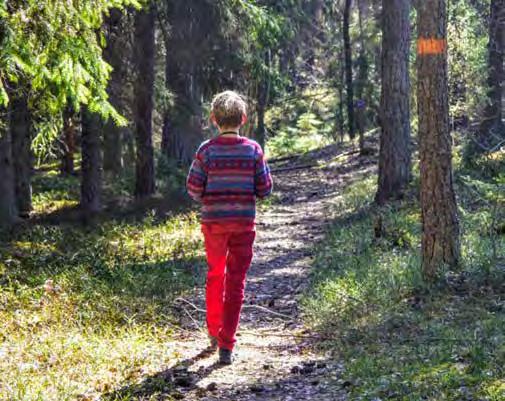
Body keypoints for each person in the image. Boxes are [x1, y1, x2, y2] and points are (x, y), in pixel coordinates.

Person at [186, 90, 273, 365]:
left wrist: (210, 197)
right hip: (244, 225)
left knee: (215, 274)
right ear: (243, 119)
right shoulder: (253, 150)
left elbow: (193, 188)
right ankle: (227, 344)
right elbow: (265, 188)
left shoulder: (206, 151)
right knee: (236, 282)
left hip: (213, 224)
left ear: (214, 119)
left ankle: (214, 330)